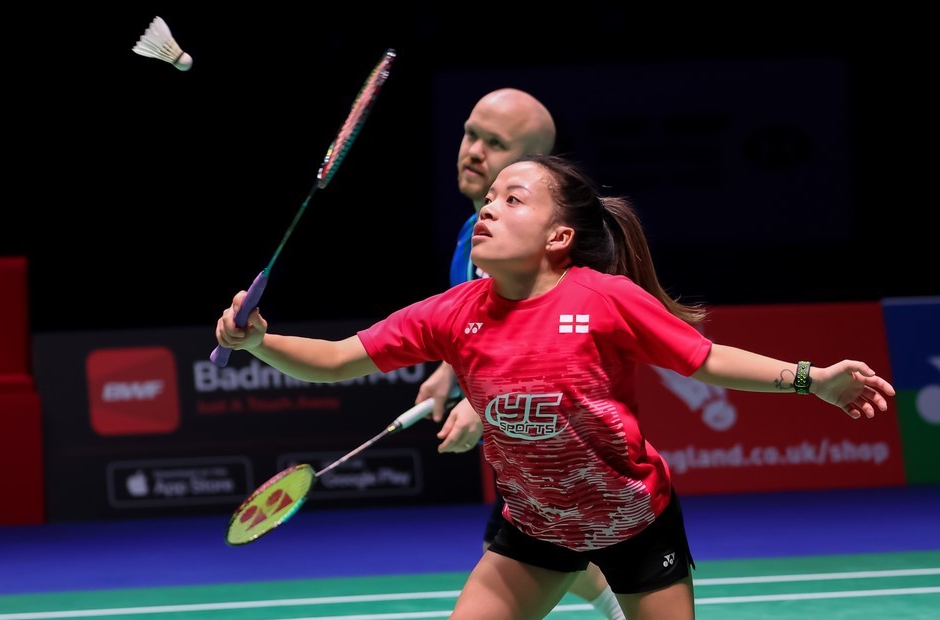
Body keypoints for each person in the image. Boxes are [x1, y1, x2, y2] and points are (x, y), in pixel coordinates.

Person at [215, 153, 894, 620]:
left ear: (559, 235)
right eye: (486, 200)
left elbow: (705, 360)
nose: (487, 209)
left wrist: (811, 380)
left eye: (512, 200)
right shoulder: (453, 313)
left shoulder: (605, 299)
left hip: (634, 521)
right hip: (534, 529)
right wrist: (258, 342)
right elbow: (337, 359)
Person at [414, 87, 624, 618]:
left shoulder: (547, 249)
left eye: (495, 143)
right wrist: (447, 371)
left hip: (572, 438)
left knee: (524, 551)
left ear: (531, 166)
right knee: (545, 548)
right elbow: (481, 322)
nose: (473, 151)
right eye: (470, 133)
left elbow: (555, 344)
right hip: (529, 446)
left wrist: (481, 403)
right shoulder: (474, 235)